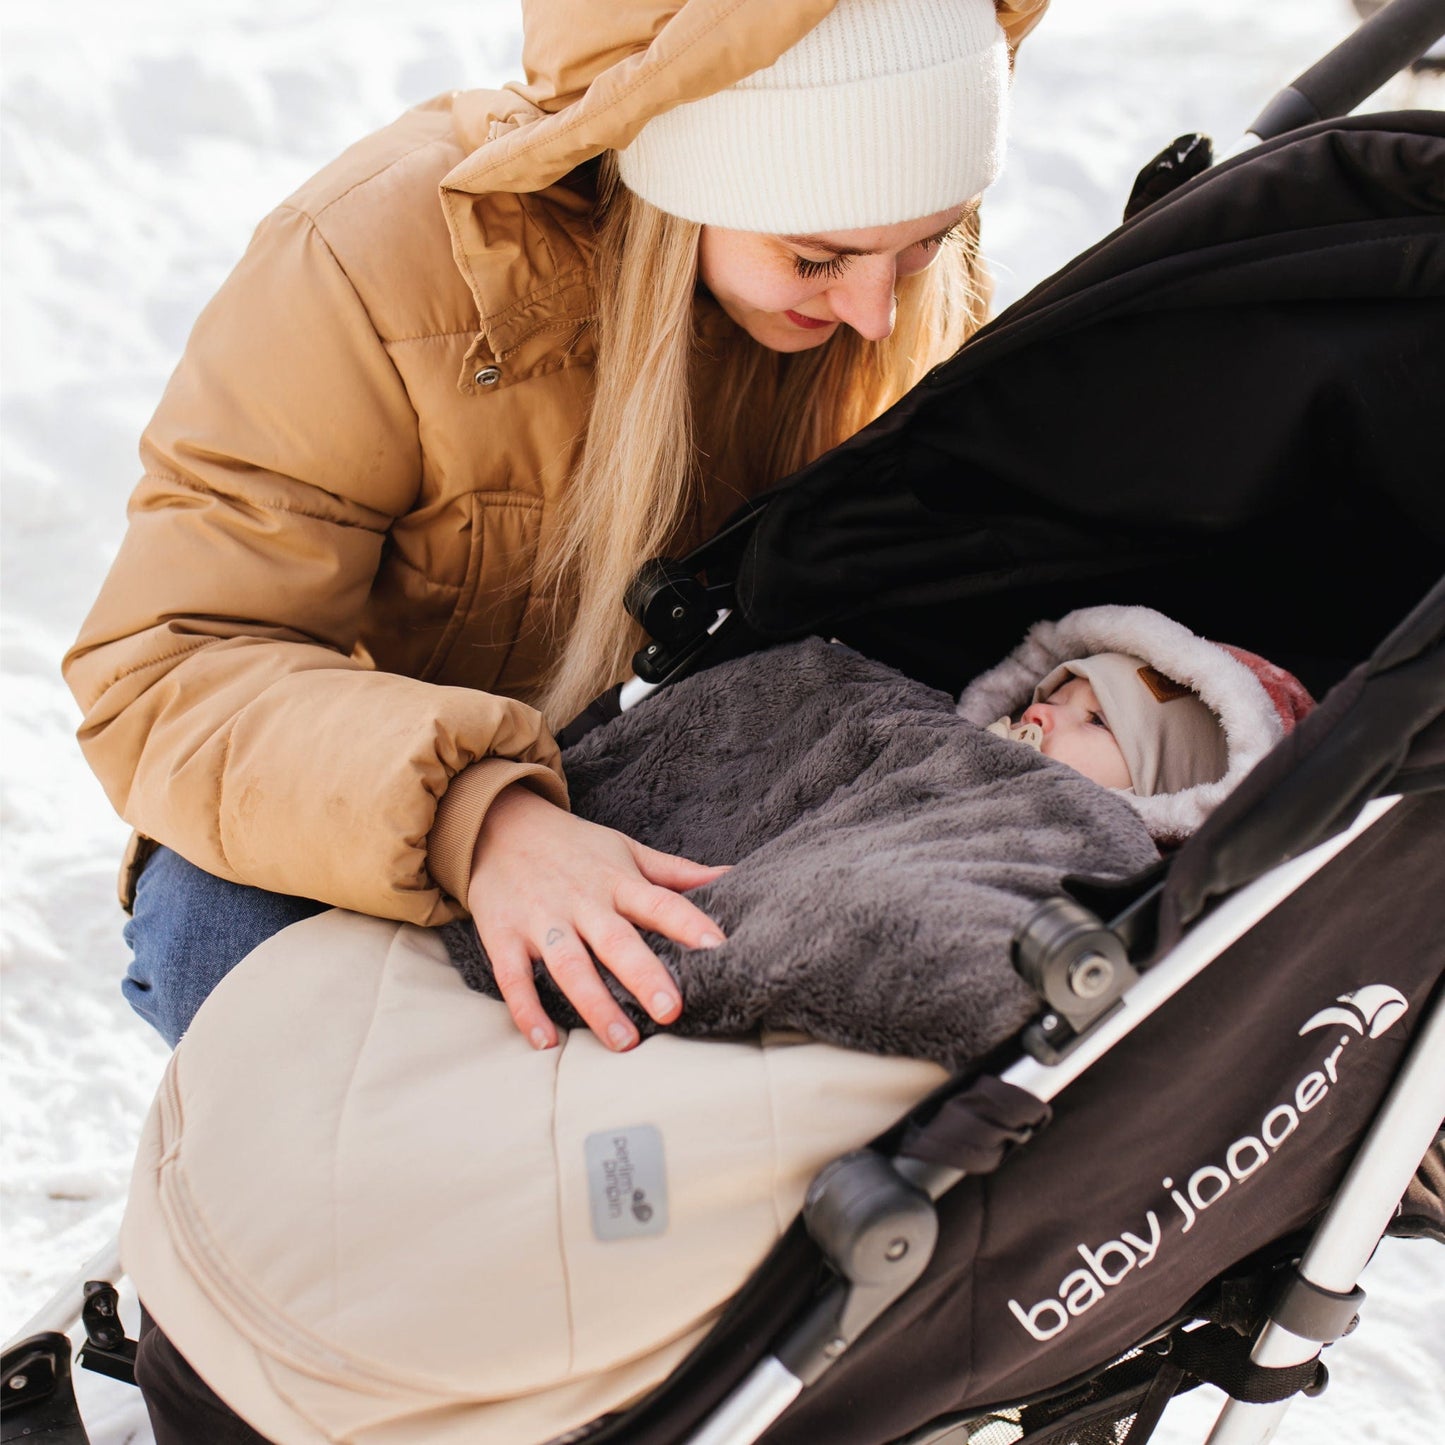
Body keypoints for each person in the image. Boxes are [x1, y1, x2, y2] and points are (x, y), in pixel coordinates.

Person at [61, 0, 1050, 1050]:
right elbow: (170, 668)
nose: (875, 316)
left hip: (706, 769)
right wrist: (482, 821)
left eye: (923, 246)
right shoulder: (366, 266)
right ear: (687, 187)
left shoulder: (875, 254)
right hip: (390, 797)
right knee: (218, 932)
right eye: (815, 260)